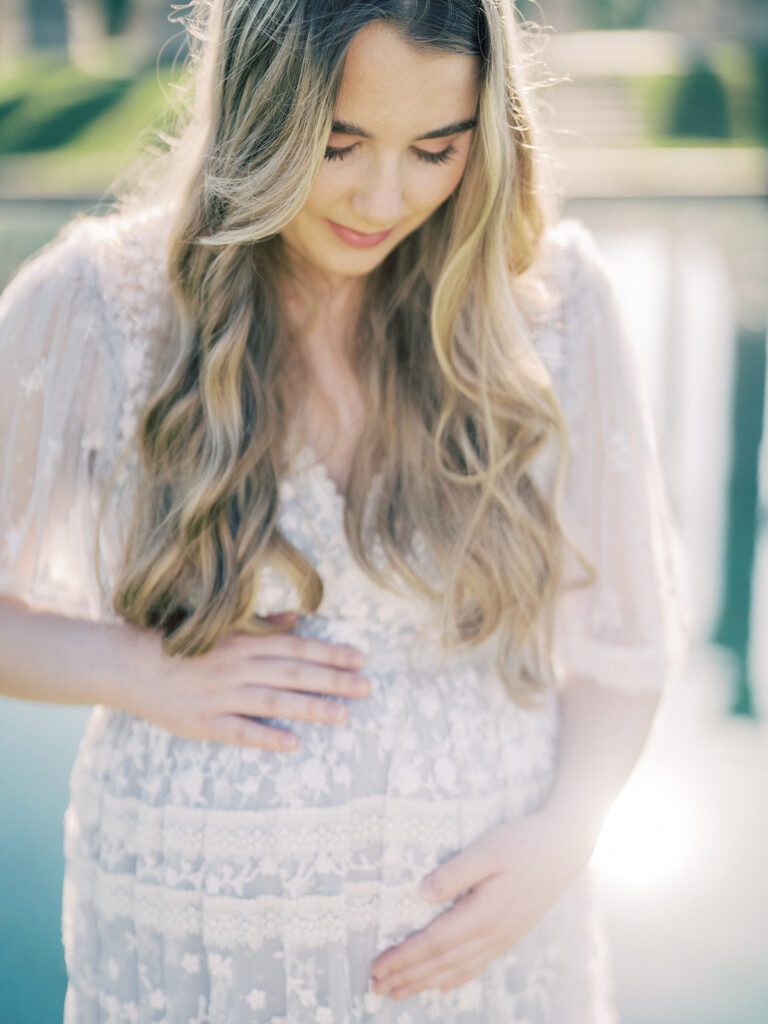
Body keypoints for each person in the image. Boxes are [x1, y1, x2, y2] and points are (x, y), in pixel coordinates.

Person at [0, 1, 691, 1020]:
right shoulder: (99, 304)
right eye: (339, 143)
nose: (382, 195)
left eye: (435, 148)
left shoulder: (556, 306)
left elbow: (628, 650)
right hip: (185, 951)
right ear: (256, 109)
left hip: (495, 963)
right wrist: (132, 668)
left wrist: (565, 838)